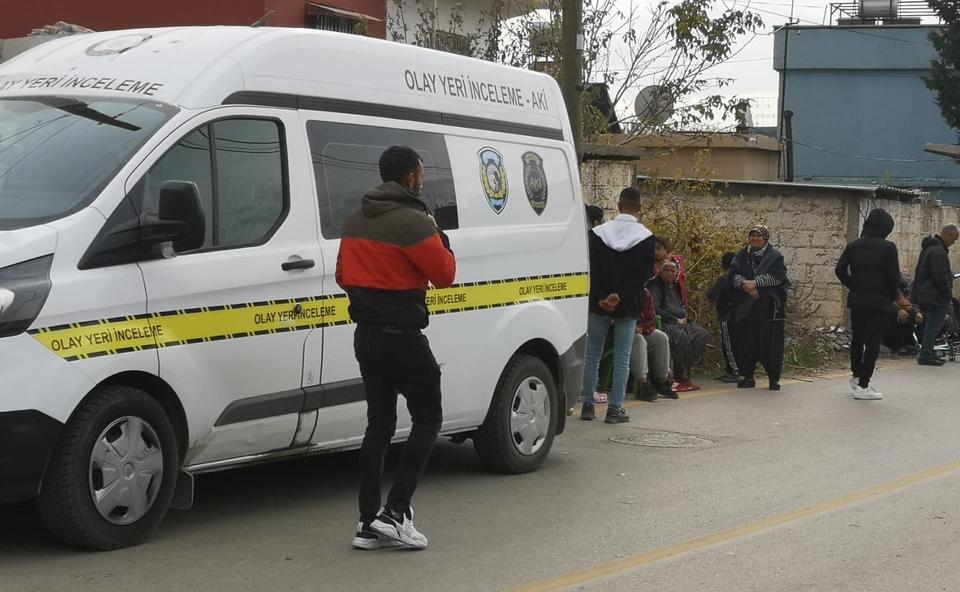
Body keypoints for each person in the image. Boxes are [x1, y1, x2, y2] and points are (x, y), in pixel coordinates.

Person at [337, 146, 456, 550]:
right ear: (410, 178)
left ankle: (367, 522)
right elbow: (444, 275)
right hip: (403, 336)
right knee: (428, 419)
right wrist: (442, 239)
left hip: (365, 335)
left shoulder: (355, 219)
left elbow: (342, 275)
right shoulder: (416, 221)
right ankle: (396, 511)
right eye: (420, 174)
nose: (421, 180)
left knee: (379, 426)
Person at [580, 187, 656, 424]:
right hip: (628, 303)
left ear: (619, 205)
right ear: (639, 208)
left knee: (592, 354)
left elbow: (591, 267)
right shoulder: (646, 238)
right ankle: (614, 409)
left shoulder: (598, 233)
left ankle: (588, 406)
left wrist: (603, 295)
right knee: (623, 356)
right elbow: (643, 275)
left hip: (597, 301)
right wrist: (619, 296)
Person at [834, 208, 902, 400]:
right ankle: (864, 384)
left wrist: (853, 285)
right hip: (879, 301)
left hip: (857, 299)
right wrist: (893, 295)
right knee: (872, 343)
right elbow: (893, 276)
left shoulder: (853, 245)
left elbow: (839, 269)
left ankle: (856, 376)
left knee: (857, 339)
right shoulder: (889, 248)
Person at [728, 225, 789, 391]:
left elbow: (778, 277)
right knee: (746, 343)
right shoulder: (741, 255)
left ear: (765, 238)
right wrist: (745, 285)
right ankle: (747, 376)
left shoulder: (775, 257)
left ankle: (773, 378)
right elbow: (733, 274)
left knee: (770, 344)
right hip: (746, 308)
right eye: (752, 236)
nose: (755, 239)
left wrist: (755, 283)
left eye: (758, 236)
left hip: (769, 308)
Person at [648, 261, 710, 393]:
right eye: (666, 271)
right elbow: (656, 309)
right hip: (666, 322)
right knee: (682, 337)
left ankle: (683, 369)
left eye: (672, 271)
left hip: (682, 321)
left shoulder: (676, 287)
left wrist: (684, 318)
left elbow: (681, 306)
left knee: (702, 334)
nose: (669, 273)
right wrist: (675, 319)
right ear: (660, 271)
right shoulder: (655, 286)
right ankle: (679, 374)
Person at [912, 223, 959, 366]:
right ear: (948, 234)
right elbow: (939, 275)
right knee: (934, 323)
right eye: (955, 238)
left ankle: (929, 351)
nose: (954, 242)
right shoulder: (938, 251)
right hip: (935, 293)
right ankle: (926, 354)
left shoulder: (930, 248)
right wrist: (947, 292)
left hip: (928, 292)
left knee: (932, 322)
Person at [630, 287, 677, 401]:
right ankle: (642, 384)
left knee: (661, 338)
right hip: (623, 331)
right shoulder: (620, 292)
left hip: (643, 329)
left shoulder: (645, 293)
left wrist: (641, 328)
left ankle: (662, 381)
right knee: (639, 340)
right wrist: (631, 328)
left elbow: (651, 319)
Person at [707, 252, 740, 383]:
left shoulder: (724, 280)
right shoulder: (742, 280)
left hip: (726, 316)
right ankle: (733, 370)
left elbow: (711, 294)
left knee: (728, 345)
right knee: (736, 344)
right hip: (739, 317)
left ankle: (734, 372)